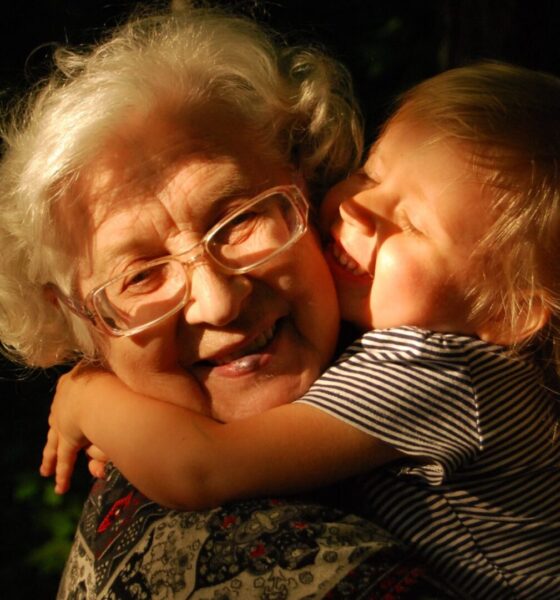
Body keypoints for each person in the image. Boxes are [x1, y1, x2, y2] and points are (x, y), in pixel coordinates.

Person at [43, 61, 560, 599]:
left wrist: (90, 396)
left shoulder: (441, 371)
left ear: (507, 313)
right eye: (372, 175)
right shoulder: (409, 338)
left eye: (413, 225)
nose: (359, 207)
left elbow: (200, 467)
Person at [0, 4, 447, 599]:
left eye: (238, 220)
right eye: (140, 276)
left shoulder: (431, 348)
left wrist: (88, 395)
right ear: (80, 323)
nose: (218, 302)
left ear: (307, 189)